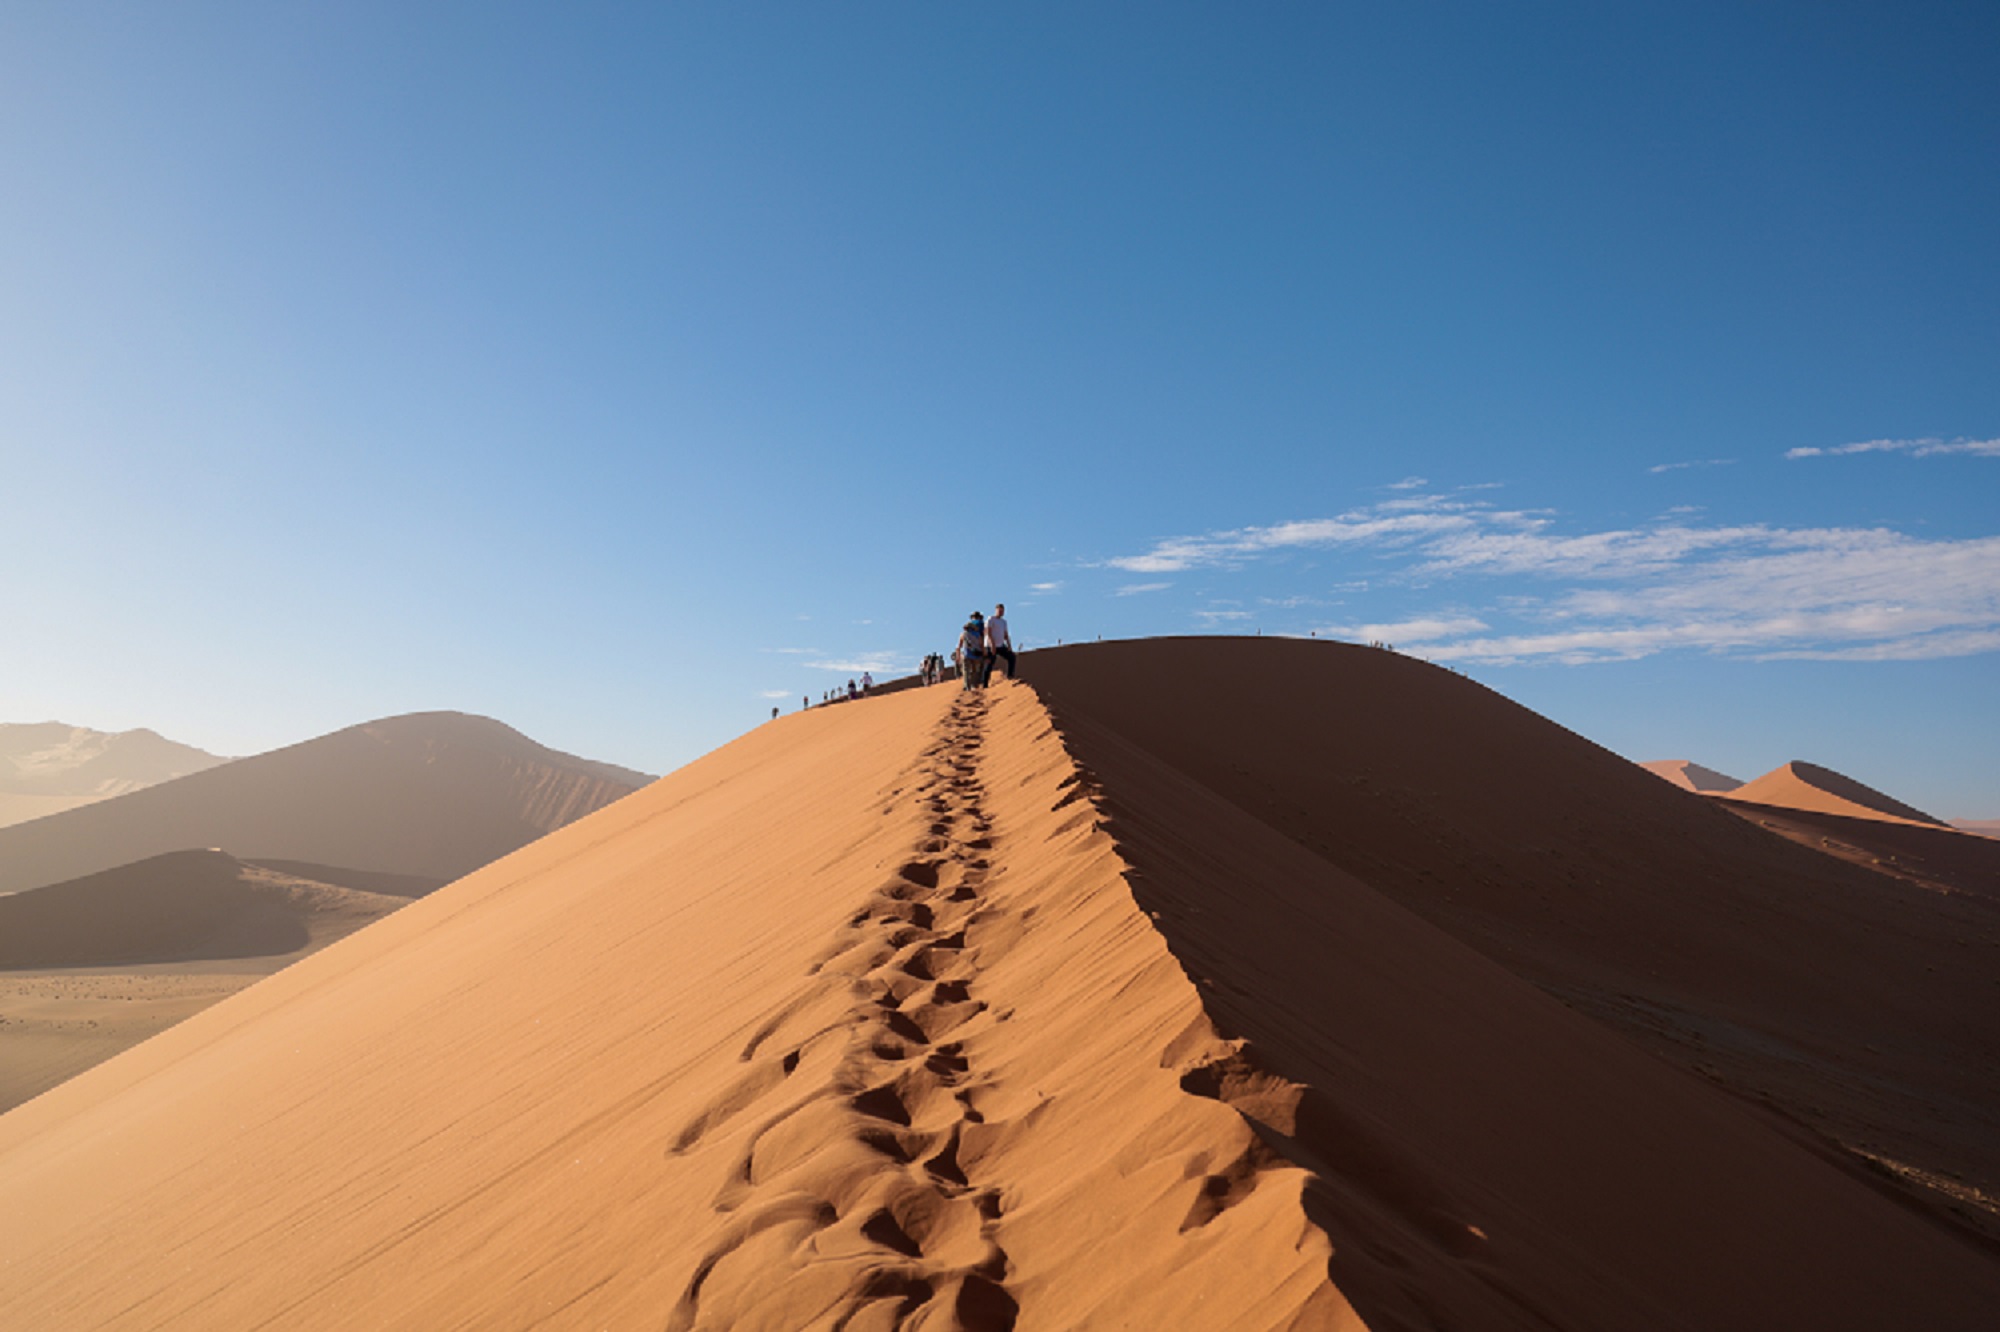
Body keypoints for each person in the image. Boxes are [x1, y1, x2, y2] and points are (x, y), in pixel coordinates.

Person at [956, 611, 988, 690]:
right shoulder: (978, 634)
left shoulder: (963, 634)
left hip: (967, 655)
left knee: (966, 671)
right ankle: (975, 684)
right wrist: (984, 653)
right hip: (976, 655)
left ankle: (967, 686)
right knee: (975, 671)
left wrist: (958, 656)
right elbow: (981, 645)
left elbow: (959, 646)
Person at [986, 603, 1015, 681]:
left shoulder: (1003, 622)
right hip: (991, 646)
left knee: (1012, 657)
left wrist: (1009, 646)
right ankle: (985, 682)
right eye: (999, 611)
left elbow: (1006, 635)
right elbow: (988, 633)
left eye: (1002, 611)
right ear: (996, 610)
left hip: (1001, 646)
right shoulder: (991, 619)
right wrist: (992, 645)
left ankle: (1010, 676)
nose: (1001, 613)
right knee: (990, 663)